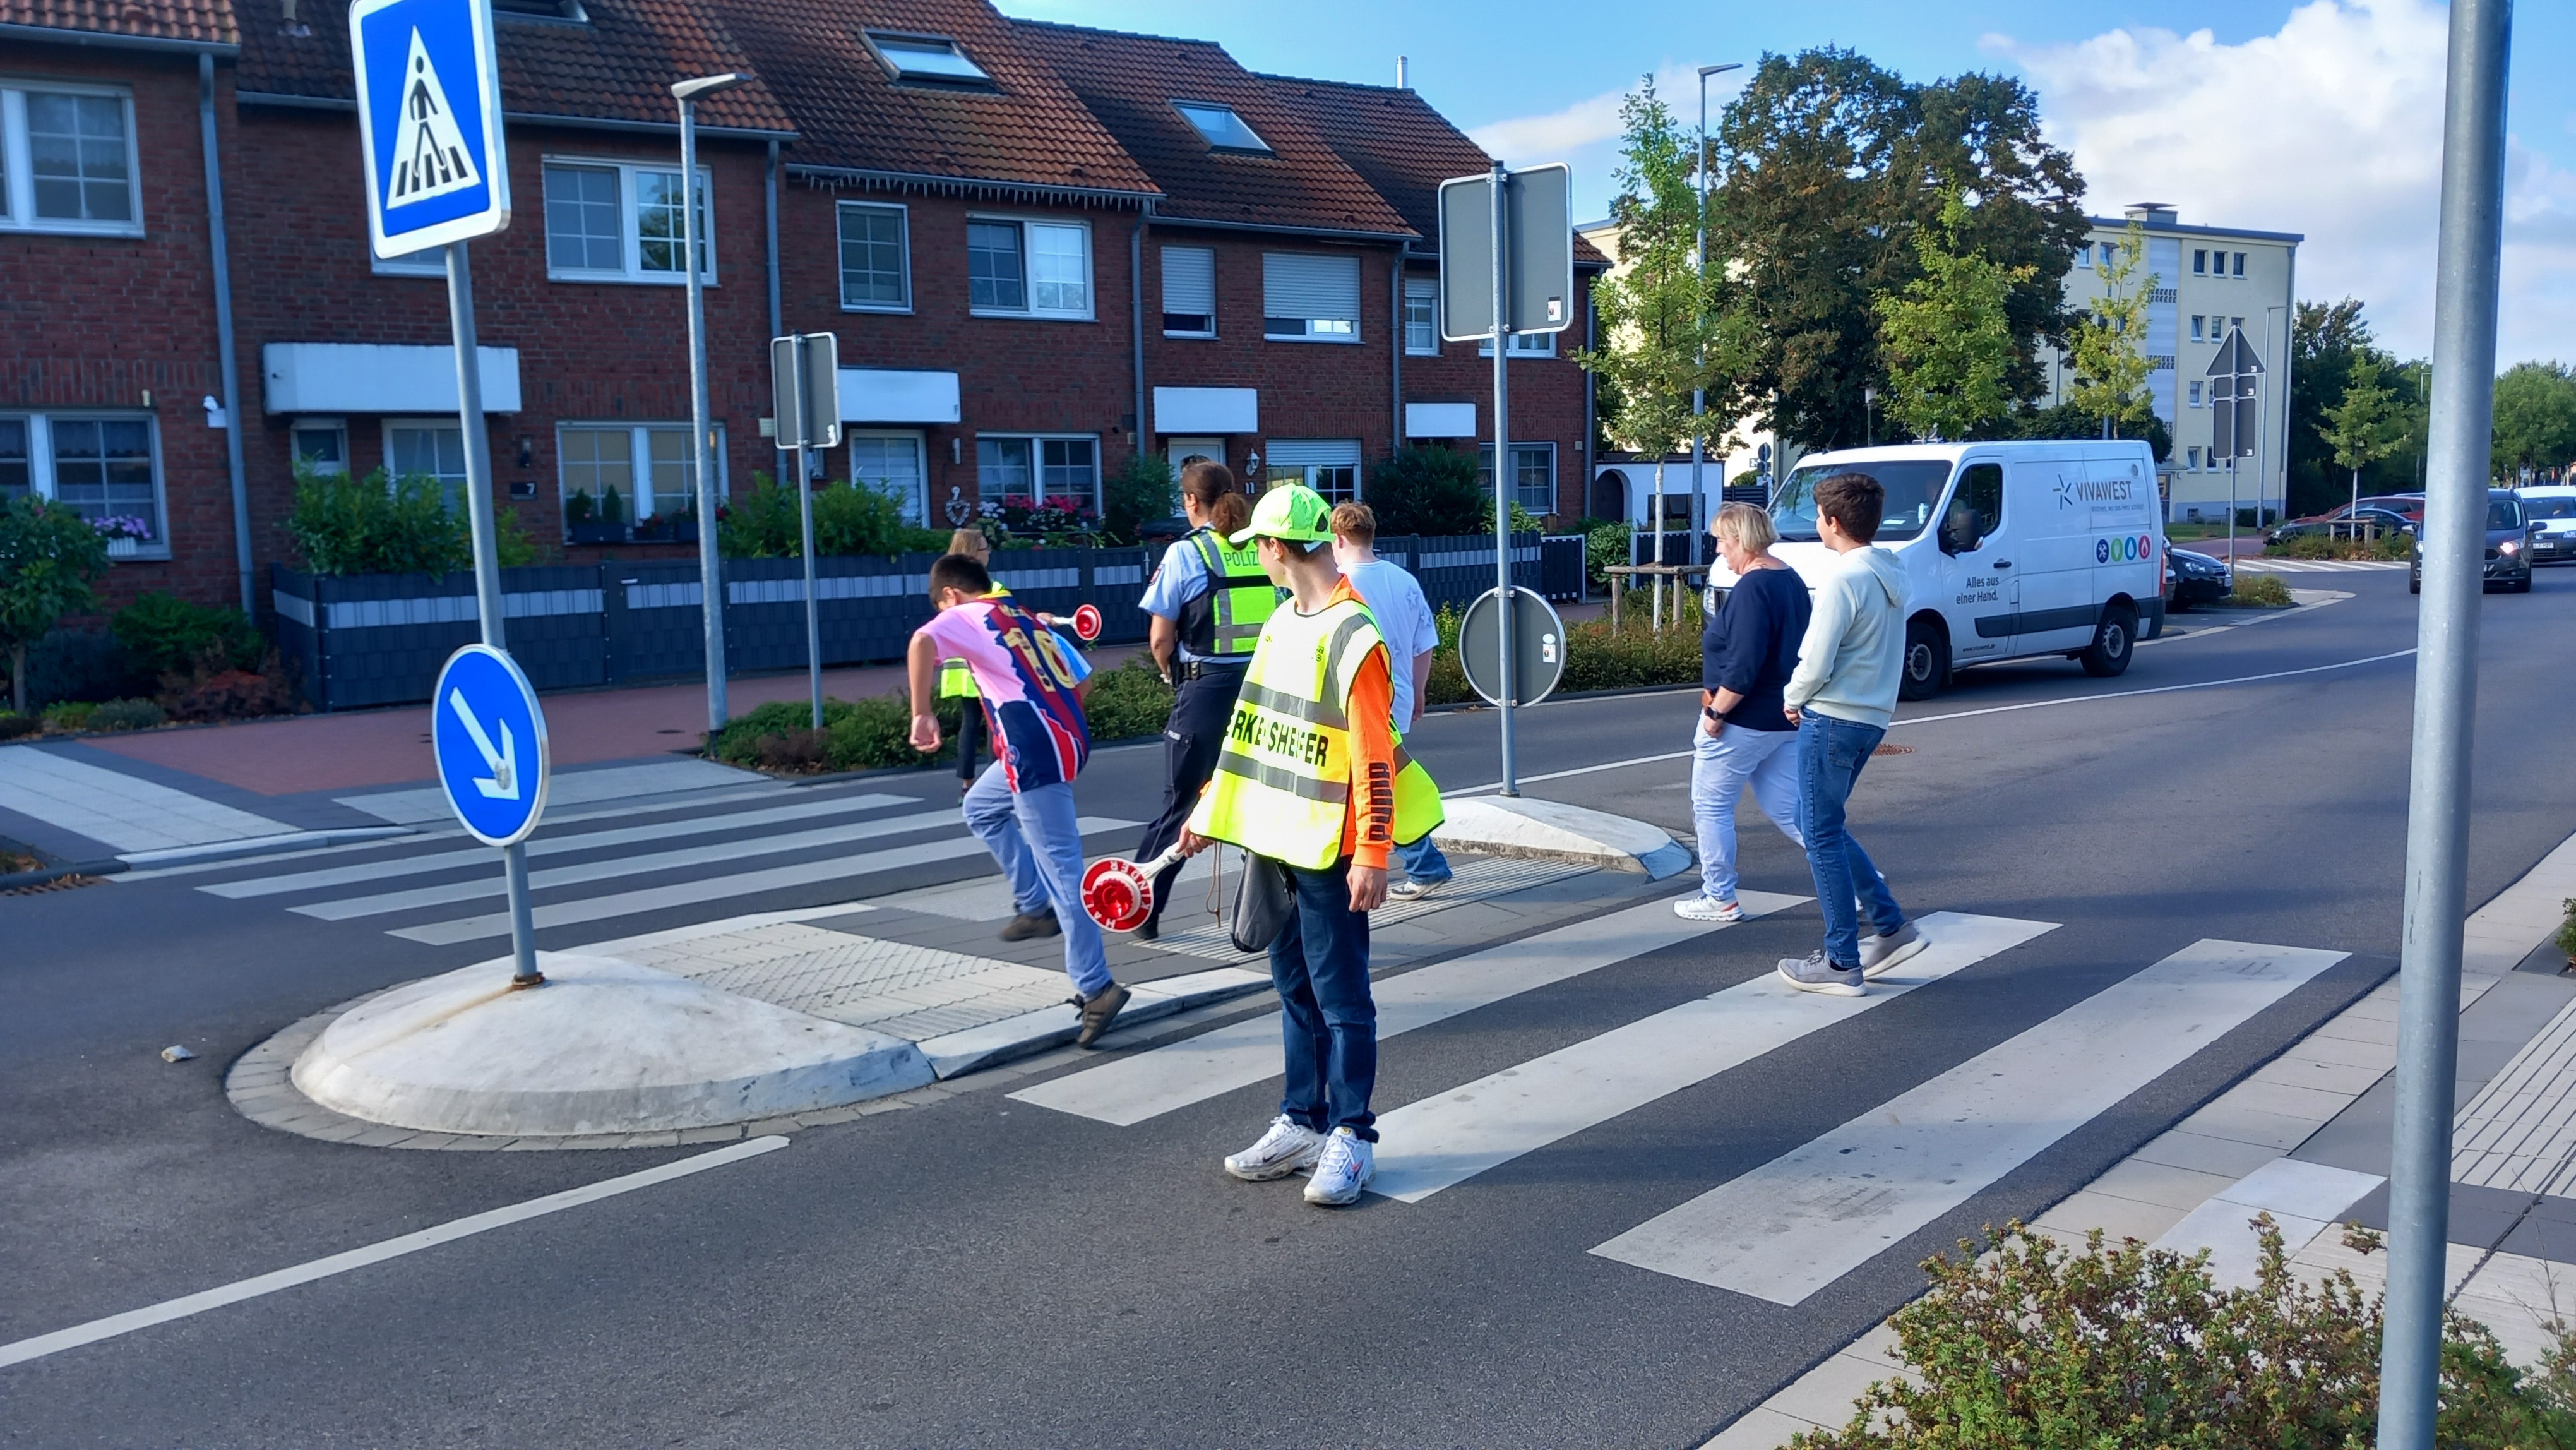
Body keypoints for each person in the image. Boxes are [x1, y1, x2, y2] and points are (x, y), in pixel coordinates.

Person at [1176, 484, 1441, 1207]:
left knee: (1342, 997)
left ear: (1273, 548)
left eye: (1255, 548)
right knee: (1295, 988)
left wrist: (1374, 852)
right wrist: (1208, 810)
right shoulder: (1281, 623)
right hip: (1277, 838)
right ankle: (1303, 1119)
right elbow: (1250, 732)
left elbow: (1373, 754)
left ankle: (1353, 1135)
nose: (1255, 559)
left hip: (1332, 846)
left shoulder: (1354, 633)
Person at [907, 553, 1131, 1047]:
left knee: (1066, 872)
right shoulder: (1025, 618)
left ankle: (1096, 987)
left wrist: (921, 713)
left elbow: (922, 641)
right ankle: (1034, 905)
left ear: (950, 594)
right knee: (981, 808)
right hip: (1060, 738)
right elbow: (1084, 679)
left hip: (1034, 750)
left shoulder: (965, 615)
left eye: (943, 605)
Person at [1777, 473, 1928, 997]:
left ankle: (1842, 960)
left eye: (1818, 516)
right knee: (1819, 822)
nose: (1817, 524)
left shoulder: (1845, 578)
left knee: (1818, 833)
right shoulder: (1890, 571)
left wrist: (1793, 698)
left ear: (1833, 523)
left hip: (1831, 716)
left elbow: (1817, 655)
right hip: (1871, 716)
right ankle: (1890, 926)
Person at [1129, 460, 1269, 940]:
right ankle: (1270, 915)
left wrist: (1177, 680)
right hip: (1262, 693)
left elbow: (1160, 640)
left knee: (1182, 805)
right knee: (1261, 803)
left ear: (1191, 502)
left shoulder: (1186, 554)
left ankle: (1141, 909)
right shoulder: (1261, 546)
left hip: (1205, 692)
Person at [1679, 501, 1808, 923]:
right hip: (1783, 718)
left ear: (1741, 540)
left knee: (1711, 807)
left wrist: (1717, 712)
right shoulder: (1789, 579)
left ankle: (1720, 896)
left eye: (1722, 541)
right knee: (1794, 812)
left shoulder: (1753, 588)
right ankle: (1863, 887)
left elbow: (1744, 662)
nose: (1719, 550)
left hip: (1742, 719)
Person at [1330, 501, 1453, 899]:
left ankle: (1421, 863)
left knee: (1370, 783)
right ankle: (1422, 862)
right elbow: (1424, 644)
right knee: (1385, 779)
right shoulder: (1404, 581)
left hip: (1359, 698)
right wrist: (1418, 690)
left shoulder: (1336, 584)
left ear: (1338, 538)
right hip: (1396, 697)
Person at [939, 527, 993, 801]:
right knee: (996, 725)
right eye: (985, 548)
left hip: (958, 669)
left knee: (970, 724)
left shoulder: (947, 587)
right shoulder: (988, 587)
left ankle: (966, 784)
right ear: (974, 553)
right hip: (985, 667)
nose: (989, 553)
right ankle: (998, 783)